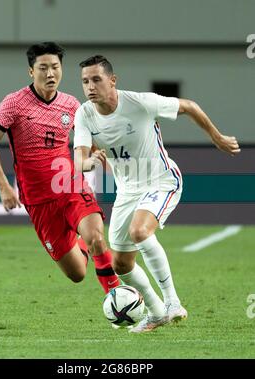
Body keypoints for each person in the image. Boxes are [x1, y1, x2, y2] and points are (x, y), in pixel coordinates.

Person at [73, 55, 241, 333]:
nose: (90, 86)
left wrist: (217, 137)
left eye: (96, 79)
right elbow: (79, 159)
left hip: (161, 180)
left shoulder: (139, 102)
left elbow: (188, 106)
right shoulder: (84, 114)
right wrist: (90, 162)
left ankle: (173, 302)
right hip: (127, 191)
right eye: (85, 81)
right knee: (121, 264)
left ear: (112, 80)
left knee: (140, 231)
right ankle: (156, 313)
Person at [0, 43, 120, 296]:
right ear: (30, 71)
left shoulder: (70, 104)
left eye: (55, 67)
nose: (50, 74)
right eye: (43, 68)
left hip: (70, 185)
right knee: (77, 273)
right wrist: (3, 186)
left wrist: (110, 162)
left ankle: (117, 296)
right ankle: (78, 237)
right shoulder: (14, 103)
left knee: (97, 238)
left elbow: (91, 140)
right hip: (39, 200)